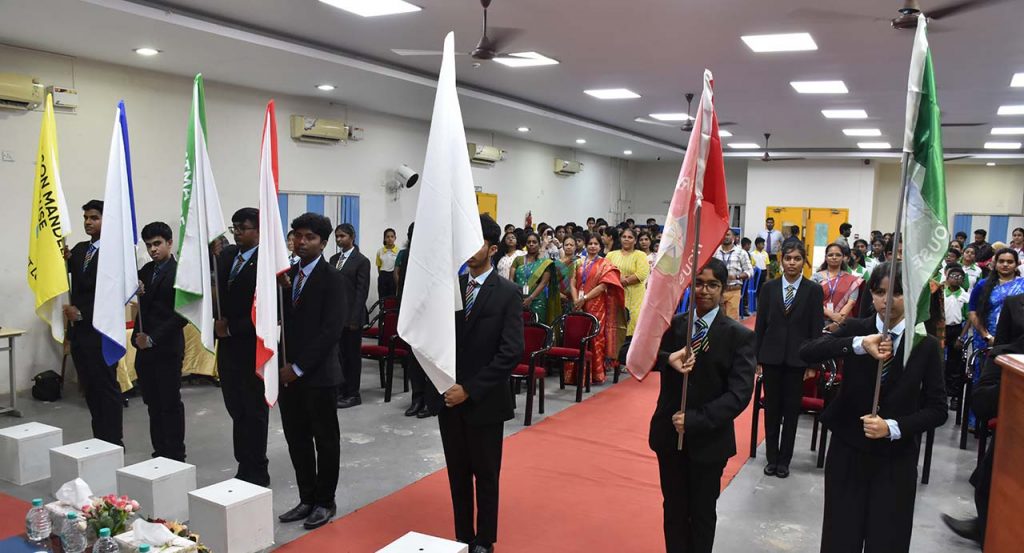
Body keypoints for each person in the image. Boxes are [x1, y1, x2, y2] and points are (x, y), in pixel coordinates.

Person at [800, 261, 947, 553]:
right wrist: (856, 344)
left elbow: (938, 409)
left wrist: (893, 427)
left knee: (887, 539)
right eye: (880, 292)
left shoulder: (924, 344)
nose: (886, 301)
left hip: (896, 459)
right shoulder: (857, 328)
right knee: (840, 536)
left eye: (897, 293)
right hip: (848, 450)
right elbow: (808, 350)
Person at [650, 257, 756, 553]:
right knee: (673, 510)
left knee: (701, 513)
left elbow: (739, 394)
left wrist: (696, 419)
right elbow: (631, 353)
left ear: (723, 289)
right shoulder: (674, 325)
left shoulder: (739, 336)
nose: (704, 291)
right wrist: (666, 360)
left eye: (712, 285)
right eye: (698, 283)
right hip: (669, 436)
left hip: (709, 441)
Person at [440, 214, 523, 553]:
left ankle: (485, 540)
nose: (468, 250)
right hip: (449, 397)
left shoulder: (507, 292)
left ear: (492, 249)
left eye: (476, 243)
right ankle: (462, 535)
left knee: (486, 475)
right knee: (457, 473)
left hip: (484, 400)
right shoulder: (452, 288)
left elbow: (510, 352)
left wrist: (470, 389)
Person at [277, 213, 345, 530]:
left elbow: (331, 330)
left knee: (325, 441)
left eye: (310, 237)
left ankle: (325, 501)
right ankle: (306, 497)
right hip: (287, 375)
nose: (301, 242)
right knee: (297, 438)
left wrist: (299, 367)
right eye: (297, 236)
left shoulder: (333, 278)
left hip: (318, 375)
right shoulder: (286, 276)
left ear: (323, 243)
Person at [755, 242, 824, 479]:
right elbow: (760, 325)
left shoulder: (813, 290)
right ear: (781, 260)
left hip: (798, 361)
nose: (792, 263)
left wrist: (813, 364)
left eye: (797, 259)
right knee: (772, 411)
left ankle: (785, 460)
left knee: (791, 412)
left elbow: (816, 328)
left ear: (804, 261)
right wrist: (757, 358)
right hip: (771, 358)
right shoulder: (769, 288)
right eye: (788, 258)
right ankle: (771, 458)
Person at [215, 207, 268, 486]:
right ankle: (243, 463)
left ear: (258, 230)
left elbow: (266, 310)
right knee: (235, 407)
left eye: (242, 228)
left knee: (253, 409)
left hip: (252, 346)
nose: (236, 233)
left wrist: (232, 328)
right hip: (227, 347)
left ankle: (258, 467)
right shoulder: (226, 256)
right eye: (233, 227)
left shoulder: (266, 262)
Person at [64, 200, 124, 446]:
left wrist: (83, 314)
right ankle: (99, 438)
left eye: (94, 218)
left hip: (102, 331)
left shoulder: (113, 253)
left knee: (106, 387)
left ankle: (114, 440)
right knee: (89, 387)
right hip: (80, 334)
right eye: (86, 218)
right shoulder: (80, 250)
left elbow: (113, 294)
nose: (88, 222)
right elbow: (69, 276)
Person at [132, 222, 187, 461]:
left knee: (170, 403)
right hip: (144, 348)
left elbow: (182, 315)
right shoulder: (145, 271)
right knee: (152, 404)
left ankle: (175, 454)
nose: (153, 249)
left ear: (169, 243)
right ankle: (159, 452)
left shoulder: (179, 272)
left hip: (167, 347)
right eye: (149, 245)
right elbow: (141, 308)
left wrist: (153, 338)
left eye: (157, 244)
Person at [966, 249, 1024, 426]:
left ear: (1017, 264)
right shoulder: (983, 285)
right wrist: (986, 335)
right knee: (983, 378)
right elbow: (973, 311)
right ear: (995, 263)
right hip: (986, 337)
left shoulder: (1022, 285)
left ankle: (1003, 420)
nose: (1005, 265)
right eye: (1001, 261)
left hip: (1013, 342)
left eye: (1010, 261)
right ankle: (977, 421)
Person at [568, 235, 626, 385]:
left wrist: (584, 298)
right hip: (578, 304)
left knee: (595, 338)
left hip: (596, 305)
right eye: (590, 243)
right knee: (577, 337)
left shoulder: (605, 264)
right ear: (586, 246)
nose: (593, 246)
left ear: (600, 246)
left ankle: (595, 374)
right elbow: (572, 282)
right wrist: (576, 300)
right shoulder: (578, 263)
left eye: (596, 244)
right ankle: (575, 376)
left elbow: (603, 286)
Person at [330, 223, 371, 409]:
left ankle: (353, 393)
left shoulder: (361, 261)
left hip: (352, 318)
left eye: (342, 236)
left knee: (352, 357)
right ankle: (340, 390)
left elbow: (362, 292)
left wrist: (354, 318)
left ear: (352, 237)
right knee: (338, 356)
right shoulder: (333, 259)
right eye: (337, 236)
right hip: (336, 317)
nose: (339, 240)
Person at [606, 227, 650, 336]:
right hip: (615, 296)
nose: (626, 239)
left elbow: (641, 274)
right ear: (620, 239)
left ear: (635, 241)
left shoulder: (641, 255)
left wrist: (621, 281)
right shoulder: (611, 255)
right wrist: (619, 279)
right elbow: (606, 272)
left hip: (635, 298)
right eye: (624, 237)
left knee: (633, 327)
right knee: (615, 330)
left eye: (630, 237)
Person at [812, 243, 862, 331]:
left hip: (843, 324)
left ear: (843, 257)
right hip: (818, 322)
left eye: (838, 255)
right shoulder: (816, 277)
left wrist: (837, 322)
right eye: (830, 255)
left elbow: (851, 302)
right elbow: (813, 300)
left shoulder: (852, 280)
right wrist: (832, 315)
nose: (834, 257)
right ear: (826, 257)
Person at [512, 231, 559, 324]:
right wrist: (516, 297)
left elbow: (543, 283)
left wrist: (530, 298)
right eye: (528, 242)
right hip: (518, 299)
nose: (531, 244)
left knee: (536, 328)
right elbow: (511, 280)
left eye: (534, 242)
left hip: (537, 300)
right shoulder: (518, 260)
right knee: (517, 326)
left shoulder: (545, 262)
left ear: (539, 244)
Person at [941, 265, 970, 412]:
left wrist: (961, 337)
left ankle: (954, 396)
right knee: (939, 361)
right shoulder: (941, 293)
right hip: (941, 328)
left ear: (963, 280)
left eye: (959, 277)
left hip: (956, 329)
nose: (956, 279)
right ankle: (940, 393)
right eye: (953, 276)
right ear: (947, 278)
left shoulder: (965, 296)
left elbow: (969, 318)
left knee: (955, 363)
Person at [714, 229, 753, 320]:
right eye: (723, 234)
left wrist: (736, 276)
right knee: (717, 320)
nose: (725, 237)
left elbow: (750, 272)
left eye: (728, 234)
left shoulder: (741, 253)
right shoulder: (715, 251)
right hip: (717, 291)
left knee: (731, 321)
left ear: (734, 237)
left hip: (733, 290)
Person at [553, 236, 579, 315]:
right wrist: (558, 294)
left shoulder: (579, 261)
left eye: (571, 245)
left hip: (576, 299)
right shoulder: (556, 264)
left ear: (575, 247)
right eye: (566, 245)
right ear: (563, 246)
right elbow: (551, 283)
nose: (569, 247)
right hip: (559, 298)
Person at [375, 228, 399, 299]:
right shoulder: (380, 251)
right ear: (384, 238)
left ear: (395, 238)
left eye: (392, 236)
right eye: (387, 237)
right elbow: (379, 266)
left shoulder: (399, 251)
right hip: (383, 277)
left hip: (393, 276)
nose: (390, 239)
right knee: (382, 298)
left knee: (392, 298)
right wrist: (382, 276)